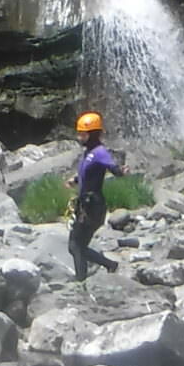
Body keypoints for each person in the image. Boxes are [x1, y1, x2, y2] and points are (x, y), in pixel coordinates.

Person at [67, 108, 119, 281]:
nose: (79, 138)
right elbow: (87, 173)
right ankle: (109, 265)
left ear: (93, 134)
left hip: (93, 206)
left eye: (83, 135)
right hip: (86, 204)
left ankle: (81, 280)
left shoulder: (100, 152)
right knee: (76, 245)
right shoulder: (88, 153)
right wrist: (75, 180)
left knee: (76, 245)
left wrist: (121, 171)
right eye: (79, 134)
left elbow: (113, 167)